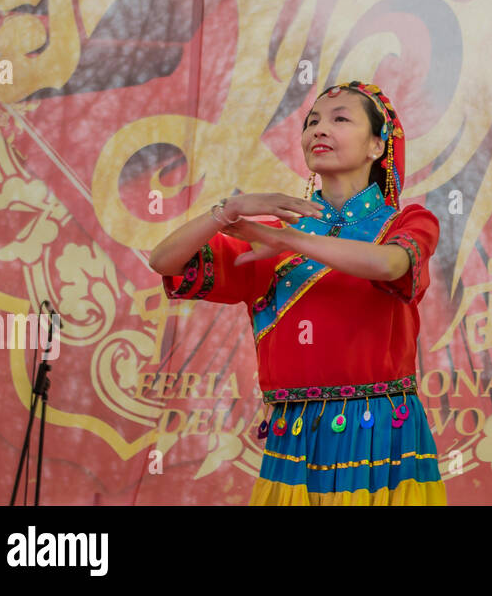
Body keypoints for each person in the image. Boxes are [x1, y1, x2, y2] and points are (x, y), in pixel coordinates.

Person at [148, 81, 446, 505]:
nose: (318, 130)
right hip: (295, 434)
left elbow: (390, 265)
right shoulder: (269, 239)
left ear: (377, 147)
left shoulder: (406, 223)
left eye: (340, 119)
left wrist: (290, 241)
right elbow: (164, 261)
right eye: (312, 122)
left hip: (381, 429)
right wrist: (226, 212)